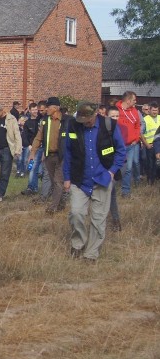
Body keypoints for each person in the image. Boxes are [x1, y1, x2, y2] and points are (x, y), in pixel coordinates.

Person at [63, 102, 126, 261]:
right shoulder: (73, 125)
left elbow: (121, 151)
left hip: (102, 180)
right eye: (82, 119)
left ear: (96, 113)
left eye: (88, 119)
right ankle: (78, 243)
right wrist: (67, 178)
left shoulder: (109, 126)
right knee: (76, 213)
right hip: (79, 180)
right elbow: (68, 153)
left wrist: (112, 171)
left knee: (98, 220)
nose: (85, 122)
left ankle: (91, 254)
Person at [29, 97, 69, 213]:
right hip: (49, 156)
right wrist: (33, 153)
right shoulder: (45, 121)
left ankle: (53, 207)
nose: (46, 109)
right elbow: (38, 137)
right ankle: (61, 204)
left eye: (48, 107)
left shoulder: (66, 120)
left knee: (57, 181)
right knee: (54, 182)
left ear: (56, 108)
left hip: (61, 156)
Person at [0, 103, 21, 201]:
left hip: (7, 149)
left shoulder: (11, 119)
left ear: (3, 110)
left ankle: (0, 194)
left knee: (4, 173)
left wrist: (18, 150)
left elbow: (17, 135)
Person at [115, 91, 141, 196]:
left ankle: (126, 191)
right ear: (128, 100)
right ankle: (112, 187)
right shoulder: (116, 110)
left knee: (129, 168)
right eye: (134, 100)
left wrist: (136, 139)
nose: (136, 102)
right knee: (117, 166)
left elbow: (137, 126)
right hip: (118, 144)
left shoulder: (134, 111)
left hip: (131, 144)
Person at [106, 105, 123, 231]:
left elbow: (121, 150)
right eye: (113, 116)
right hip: (101, 167)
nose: (115, 119)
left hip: (113, 168)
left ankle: (116, 222)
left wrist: (114, 169)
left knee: (111, 196)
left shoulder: (119, 130)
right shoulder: (103, 130)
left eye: (117, 116)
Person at [142, 102, 158, 185]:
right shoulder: (145, 119)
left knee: (157, 164)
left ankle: (156, 179)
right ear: (150, 110)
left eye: (156, 110)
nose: (155, 112)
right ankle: (150, 181)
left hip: (158, 145)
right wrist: (146, 144)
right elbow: (140, 133)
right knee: (150, 163)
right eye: (153, 110)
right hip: (150, 145)